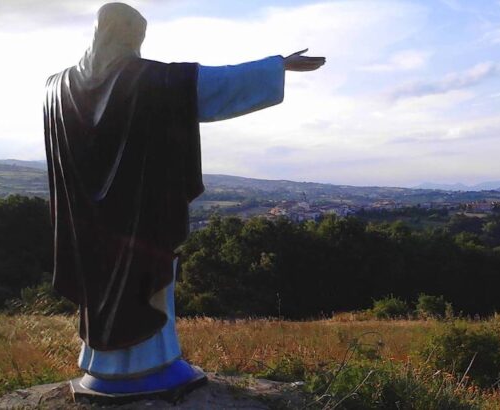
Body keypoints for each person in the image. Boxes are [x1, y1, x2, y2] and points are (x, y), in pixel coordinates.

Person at [43, 2, 324, 397]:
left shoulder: (56, 88)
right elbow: (211, 85)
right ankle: (147, 370)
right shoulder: (152, 81)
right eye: (135, 37)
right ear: (127, 36)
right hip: (140, 215)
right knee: (144, 283)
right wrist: (277, 65)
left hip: (86, 224)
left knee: (104, 287)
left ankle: (101, 367)